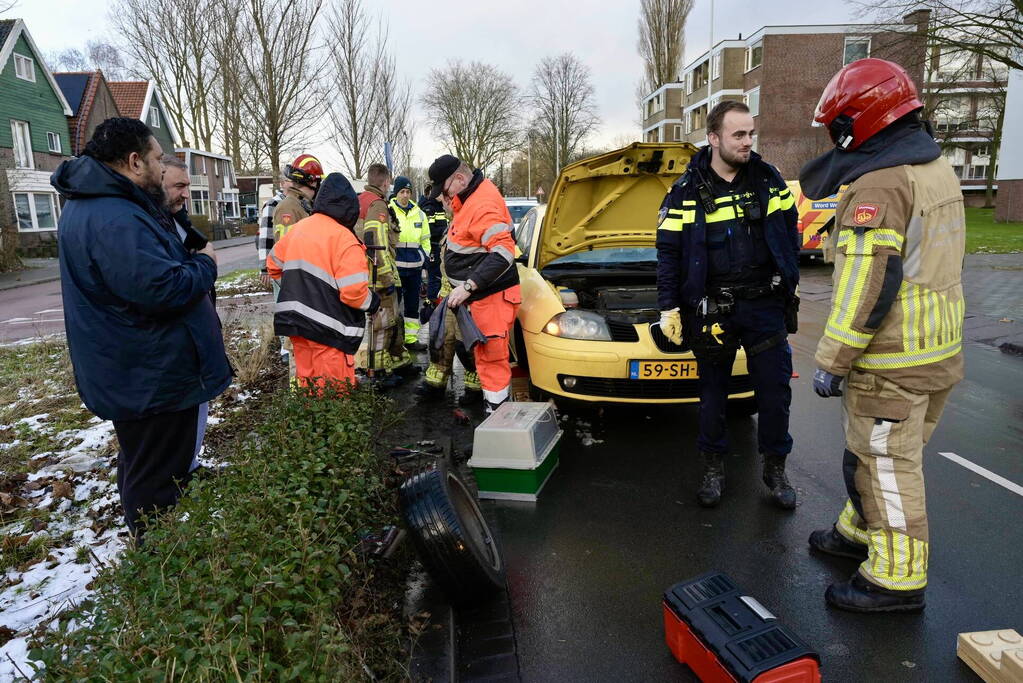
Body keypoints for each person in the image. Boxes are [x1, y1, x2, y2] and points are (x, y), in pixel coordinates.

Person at [800, 59, 965, 613]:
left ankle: (895, 580)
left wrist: (832, 360)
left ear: (861, 120)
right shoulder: (933, 167)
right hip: (937, 348)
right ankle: (857, 533)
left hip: (892, 358)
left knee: (888, 466)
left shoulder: (883, 181)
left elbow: (867, 284)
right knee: (876, 453)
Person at [50, 117, 231, 539]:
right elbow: (161, 289)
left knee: (145, 463)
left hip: (138, 369)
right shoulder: (115, 217)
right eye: (154, 158)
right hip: (150, 375)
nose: (158, 166)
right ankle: (160, 568)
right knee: (155, 479)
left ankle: (157, 551)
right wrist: (205, 265)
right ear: (134, 162)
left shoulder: (105, 205)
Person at [655, 100, 800, 510]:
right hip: (712, 310)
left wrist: (789, 284)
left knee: (775, 394)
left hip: (764, 306)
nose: (748, 142)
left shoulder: (769, 179)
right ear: (713, 138)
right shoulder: (684, 191)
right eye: (738, 135)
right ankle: (713, 468)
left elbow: (790, 236)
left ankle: (775, 468)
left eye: (751, 133)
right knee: (713, 396)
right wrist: (670, 308)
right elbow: (668, 254)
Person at [267, 173, 379, 390]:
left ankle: (309, 424)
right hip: (329, 332)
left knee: (308, 391)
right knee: (333, 397)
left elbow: (273, 265)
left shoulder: (299, 228)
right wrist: (373, 301)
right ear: (349, 209)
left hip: (297, 326)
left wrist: (300, 290)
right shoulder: (345, 239)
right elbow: (353, 293)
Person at [426, 155, 521, 413]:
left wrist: (468, 286)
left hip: (491, 298)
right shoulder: (469, 199)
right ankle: (494, 425)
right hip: (482, 299)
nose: (443, 197)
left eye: (444, 190)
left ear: (459, 179)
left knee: (492, 364)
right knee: (486, 362)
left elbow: (503, 253)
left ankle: (496, 426)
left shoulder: (482, 204)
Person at [161, 154, 214, 475]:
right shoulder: (151, 225)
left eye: (188, 186)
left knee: (196, 410)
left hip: (193, 342)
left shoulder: (178, 221)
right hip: (174, 348)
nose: (186, 194)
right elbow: (169, 285)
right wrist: (206, 262)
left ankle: (189, 467)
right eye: (179, 185)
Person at [359, 163, 412, 383]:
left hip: (367, 274)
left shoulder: (363, 200)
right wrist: (386, 277)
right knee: (382, 324)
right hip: (377, 277)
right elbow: (376, 242)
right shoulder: (378, 205)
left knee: (385, 322)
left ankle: (387, 364)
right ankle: (378, 373)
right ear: (386, 181)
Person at [390, 175, 432, 348]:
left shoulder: (420, 214)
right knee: (393, 308)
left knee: (412, 306)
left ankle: (411, 339)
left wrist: (422, 258)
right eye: (402, 192)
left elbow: (426, 241)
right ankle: (392, 342)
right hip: (395, 270)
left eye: (408, 192)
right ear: (396, 193)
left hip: (414, 270)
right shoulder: (388, 211)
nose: (405, 195)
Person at [420, 183, 449, 302]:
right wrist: (447, 230)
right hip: (433, 247)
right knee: (435, 277)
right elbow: (430, 230)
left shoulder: (441, 206)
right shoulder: (429, 207)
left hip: (441, 247)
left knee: (440, 277)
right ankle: (431, 303)